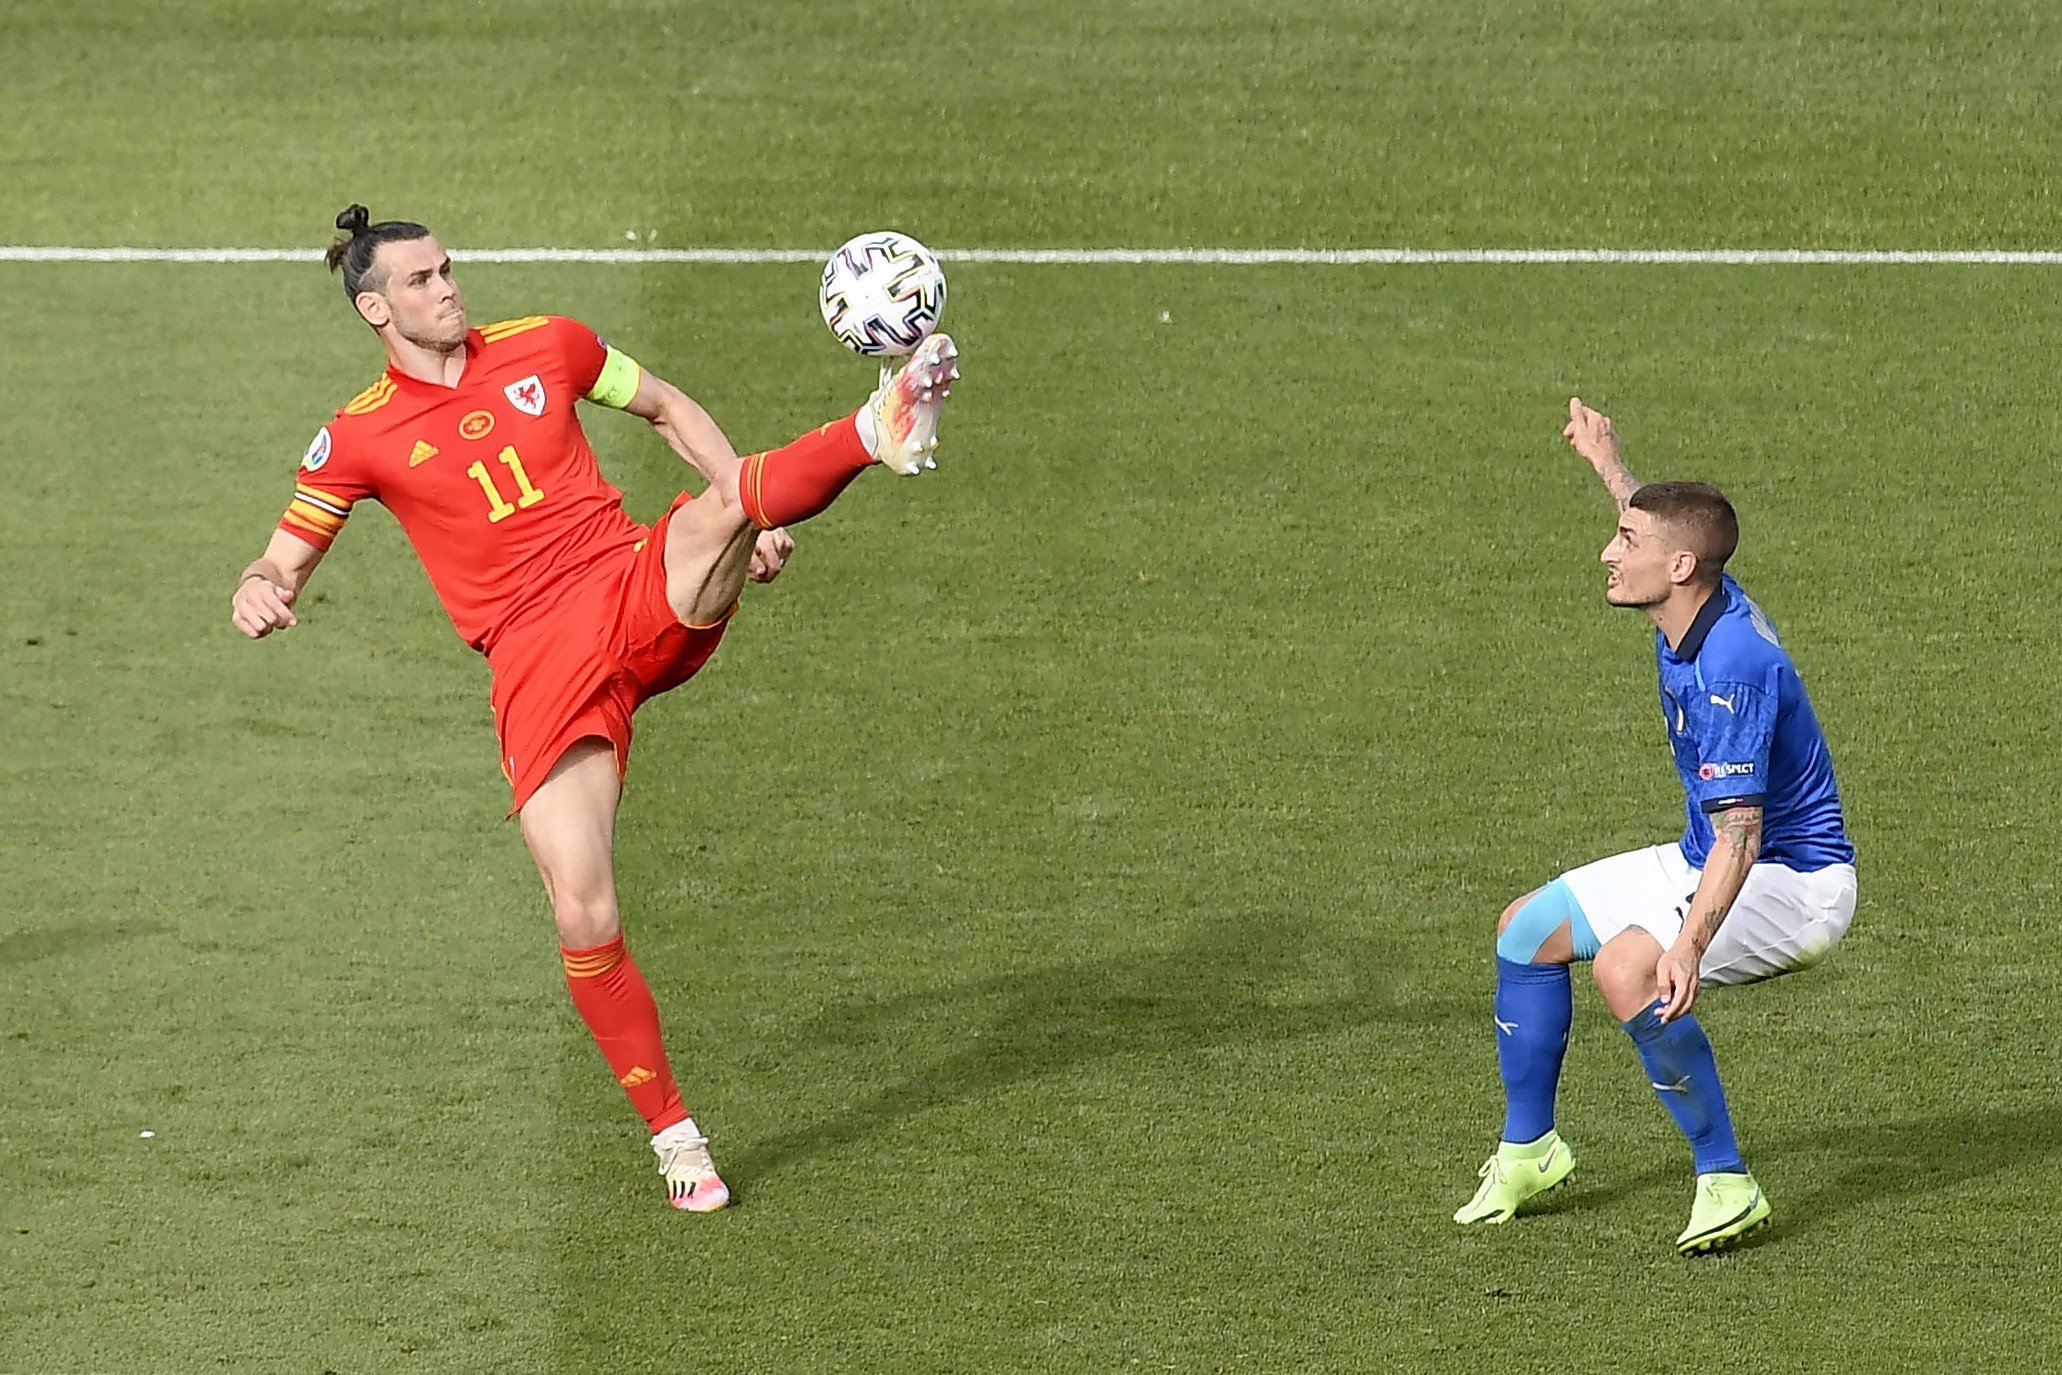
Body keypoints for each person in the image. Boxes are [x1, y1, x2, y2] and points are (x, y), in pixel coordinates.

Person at [231, 206, 961, 1212]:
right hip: (537, 667)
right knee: (584, 907)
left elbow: (661, 406)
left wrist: (735, 501)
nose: (447, 288)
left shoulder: (548, 344)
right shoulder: (355, 436)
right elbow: (286, 550)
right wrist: (260, 587)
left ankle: (874, 428)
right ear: (373, 307)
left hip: (625, 586)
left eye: (448, 269)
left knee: (716, 509)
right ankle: (677, 1140)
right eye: (421, 281)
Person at [1453, 398, 1857, 1254]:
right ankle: (1531, 1150)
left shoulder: (1732, 668)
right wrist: (1609, 462)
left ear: (1676, 566)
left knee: (1634, 967)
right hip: (1707, 853)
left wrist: (1691, 947)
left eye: (1624, 543)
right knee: (1527, 930)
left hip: (1795, 885)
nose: (1609, 550)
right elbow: (1666, 528)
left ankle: (1726, 1179)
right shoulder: (1692, 589)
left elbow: (1744, 835)